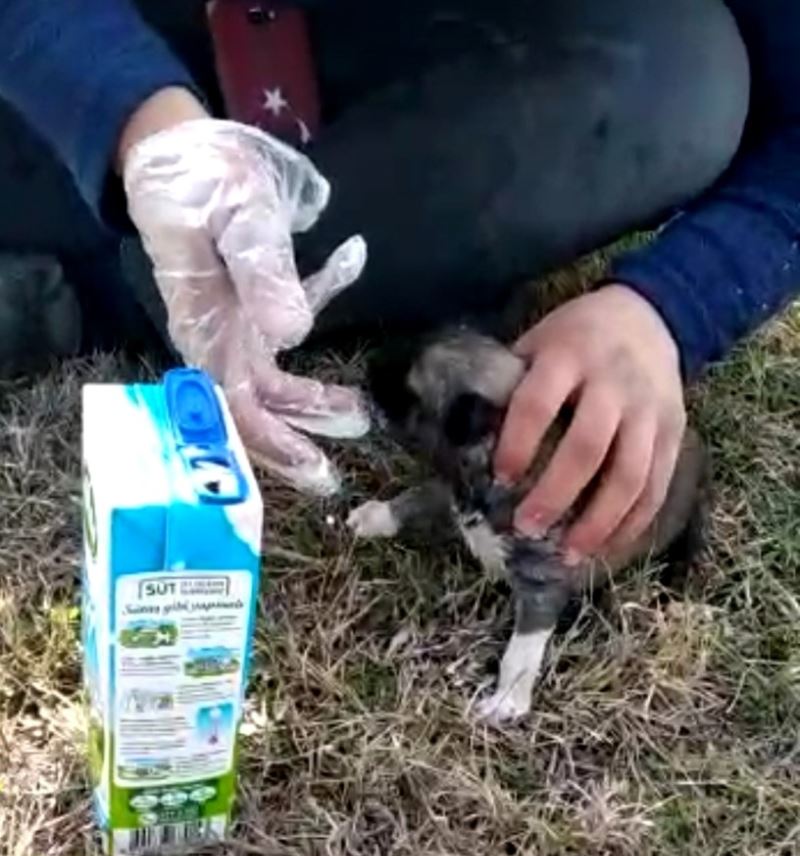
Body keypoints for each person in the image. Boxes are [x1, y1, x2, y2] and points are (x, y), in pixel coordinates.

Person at [0, 1, 797, 565]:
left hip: (432, 59)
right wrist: (137, 121)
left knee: (684, 79)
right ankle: (96, 276)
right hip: (121, 38)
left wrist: (666, 308)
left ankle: (117, 279)